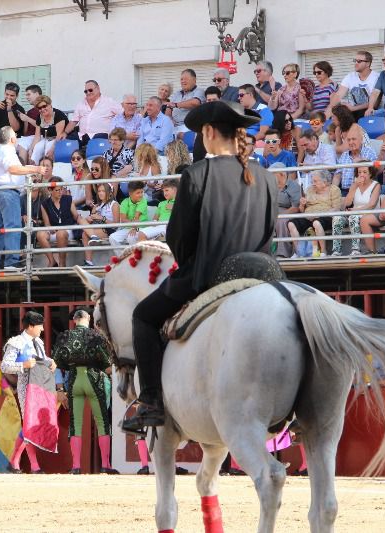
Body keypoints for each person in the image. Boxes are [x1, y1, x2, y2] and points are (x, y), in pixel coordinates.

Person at [123, 100, 277, 432]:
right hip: (263, 279)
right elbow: (269, 234)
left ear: (207, 133)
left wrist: (192, 264)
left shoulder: (196, 174)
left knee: (143, 317)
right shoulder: (266, 178)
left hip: (206, 278)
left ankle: (150, 401)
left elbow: (179, 239)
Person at [52, 309, 118, 474]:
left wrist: (60, 389)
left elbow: (55, 365)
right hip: (94, 380)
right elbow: (108, 366)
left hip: (74, 381)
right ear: (88, 319)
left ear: (74, 320)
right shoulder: (96, 337)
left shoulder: (64, 336)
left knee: (76, 424)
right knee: (102, 423)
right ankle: (105, 465)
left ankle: (76, 466)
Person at [1, 311, 57, 474]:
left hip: (40, 388)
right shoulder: (16, 342)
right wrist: (23, 365)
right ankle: (21, 463)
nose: (42, 329)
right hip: (26, 388)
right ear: (31, 326)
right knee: (30, 425)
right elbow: (5, 366)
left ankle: (25, 464)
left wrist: (50, 362)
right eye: (40, 326)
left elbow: (42, 359)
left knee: (31, 425)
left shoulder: (38, 342)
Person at [0, 126, 46, 271]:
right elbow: (13, 169)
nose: (17, 139)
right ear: (12, 139)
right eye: (16, 137)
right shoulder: (7, 150)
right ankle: (12, 262)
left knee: (0, 228)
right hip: (7, 192)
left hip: (0, 192)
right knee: (13, 226)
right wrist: (36, 169)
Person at [287, 170, 341, 258]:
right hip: (308, 216)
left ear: (325, 182)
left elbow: (336, 209)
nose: (313, 183)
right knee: (291, 223)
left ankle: (323, 252)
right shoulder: (309, 189)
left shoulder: (334, 189)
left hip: (326, 217)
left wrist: (318, 215)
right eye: (312, 181)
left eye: (315, 181)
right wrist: (302, 204)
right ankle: (298, 252)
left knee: (316, 222)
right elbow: (301, 210)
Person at [331, 165, 379, 256]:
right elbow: (347, 204)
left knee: (353, 217)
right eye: (359, 172)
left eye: (364, 172)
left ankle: (356, 249)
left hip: (367, 214)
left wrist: (356, 210)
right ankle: (336, 250)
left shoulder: (376, 185)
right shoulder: (355, 185)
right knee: (337, 218)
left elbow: (372, 205)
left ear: (370, 173)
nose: (361, 175)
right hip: (353, 212)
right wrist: (354, 187)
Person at [37, 177, 79, 268]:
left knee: (61, 233)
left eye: (61, 189)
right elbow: (47, 224)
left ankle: (62, 263)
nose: (60, 192)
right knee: (40, 234)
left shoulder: (68, 199)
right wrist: (50, 229)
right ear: (50, 190)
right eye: (57, 190)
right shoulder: (45, 204)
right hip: (54, 230)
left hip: (68, 229)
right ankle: (52, 261)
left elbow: (76, 216)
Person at [65, 80, 122, 145]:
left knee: (95, 144)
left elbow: (123, 113)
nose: (88, 93)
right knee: (67, 141)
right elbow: (74, 121)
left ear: (98, 88)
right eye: (85, 91)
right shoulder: (81, 104)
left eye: (90, 90)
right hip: (82, 136)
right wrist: (65, 133)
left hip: (101, 136)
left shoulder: (109, 102)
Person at [327, 51, 379, 119]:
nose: (356, 63)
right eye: (355, 61)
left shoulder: (377, 77)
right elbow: (338, 95)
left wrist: (353, 108)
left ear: (368, 63)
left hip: (369, 113)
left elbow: (375, 103)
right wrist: (329, 111)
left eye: (359, 61)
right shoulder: (350, 76)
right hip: (352, 113)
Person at [80, 183, 118, 266]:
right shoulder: (96, 206)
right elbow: (91, 220)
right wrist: (89, 218)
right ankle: (93, 237)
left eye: (103, 191)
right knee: (81, 219)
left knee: (84, 234)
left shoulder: (114, 204)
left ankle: (89, 261)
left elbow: (116, 224)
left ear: (110, 192)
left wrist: (102, 218)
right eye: (99, 191)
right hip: (96, 226)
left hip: (108, 229)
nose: (100, 193)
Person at [271, 162, 302, 258]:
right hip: (272, 211)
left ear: (282, 174)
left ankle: (282, 253)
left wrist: (280, 215)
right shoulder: (271, 184)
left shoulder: (293, 186)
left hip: (288, 212)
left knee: (281, 220)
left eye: (273, 174)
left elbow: (296, 207)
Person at [27, 95, 68, 164]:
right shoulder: (39, 117)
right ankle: (35, 169)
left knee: (48, 149)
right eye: (39, 108)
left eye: (44, 106)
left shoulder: (58, 115)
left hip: (59, 139)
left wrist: (52, 149)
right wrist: (31, 150)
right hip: (47, 138)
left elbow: (59, 135)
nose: (42, 109)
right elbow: (37, 137)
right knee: (37, 148)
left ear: (50, 105)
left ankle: (47, 169)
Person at [108, 180, 149, 248]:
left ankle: (135, 258)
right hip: (128, 227)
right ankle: (122, 257)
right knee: (112, 238)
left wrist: (134, 228)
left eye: (142, 192)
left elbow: (136, 217)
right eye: (138, 193)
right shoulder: (125, 202)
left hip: (141, 228)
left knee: (131, 237)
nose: (141, 195)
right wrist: (132, 225)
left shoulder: (143, 201)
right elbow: (123, 219)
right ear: (130, 193)